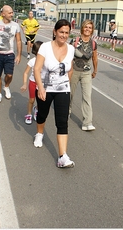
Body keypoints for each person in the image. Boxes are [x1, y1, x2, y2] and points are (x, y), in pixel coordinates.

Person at [33, 19, 75, 168]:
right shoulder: (45, 47)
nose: (64, 35)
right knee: (42, 114)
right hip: (45, 88)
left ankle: (62, 156)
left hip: (62, 89)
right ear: (55, 32)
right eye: (61, 32)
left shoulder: (71, 49)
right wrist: (41, 88)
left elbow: (70, 69)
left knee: (62, 122)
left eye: (66, 33)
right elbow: (37, 69)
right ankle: (39, 133)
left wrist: (67, 85)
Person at [0, 5, 22, 103]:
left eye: (12, 12)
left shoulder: (15, 25)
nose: (12, 14)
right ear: (3, 14)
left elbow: (18, 41)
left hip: (10, 54)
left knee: (9, 75)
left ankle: (6, 86)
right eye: (9, 13)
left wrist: (18, 55)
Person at [69, 19, 98, 131]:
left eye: (90, 28)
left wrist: (95, 71)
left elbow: (95, 58)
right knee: (70, 94)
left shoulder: (93, 43)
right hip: (74, 71)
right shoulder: (75, 41)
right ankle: (67, 112)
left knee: (87, 97)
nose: (87, 29)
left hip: (86, 72)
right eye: (86, 27)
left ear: (92, 30)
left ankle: (87, 122)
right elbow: (68, 56)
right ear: (82, 28)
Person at [20, 41, 43, 125]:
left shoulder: (47, 61)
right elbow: (26, 73)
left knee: (41, 101)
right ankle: (29, 114)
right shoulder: (32, 61)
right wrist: (25, 83)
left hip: (43, 84)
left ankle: (36, 109)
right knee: (32, 100)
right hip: (33, 82)